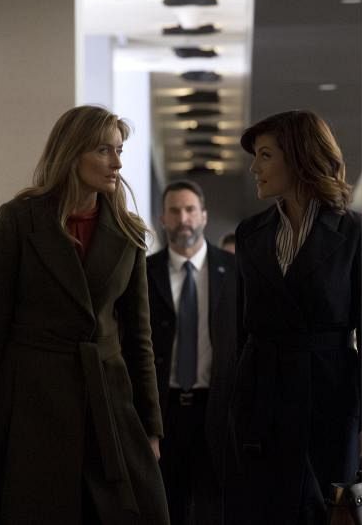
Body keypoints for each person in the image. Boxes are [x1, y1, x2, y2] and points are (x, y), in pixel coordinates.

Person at [0, 105, 170, 525]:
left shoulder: (129, 233)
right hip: (31, 402)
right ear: (72, 153)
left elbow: (139, 339)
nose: (117, 163)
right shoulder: (20, 220)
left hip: (107, 403)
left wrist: (151, 428)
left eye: (120, 150)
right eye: (104, 150)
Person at [225, 110, 362, 524]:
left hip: (329, 395)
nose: (254, 168)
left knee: (325, 509)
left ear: (300, 158)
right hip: (260, 396)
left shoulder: (353, 232)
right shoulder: (250, 233)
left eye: (265, 155)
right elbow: (240, 327)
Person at [146, 180, 238, 525]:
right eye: (174, 211)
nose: (183, 218)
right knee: (165, 508)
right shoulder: (143, 273)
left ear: (204, 216)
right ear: (162, 218)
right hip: (164, 411)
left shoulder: (234, 271)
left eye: (190, 210)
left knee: (214, 509)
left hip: (216, 410)